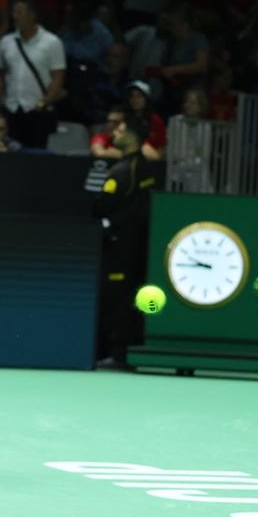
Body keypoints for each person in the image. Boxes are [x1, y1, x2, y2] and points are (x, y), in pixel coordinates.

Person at [94, 113, 157, 368]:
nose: (115, 132)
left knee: (118, 300)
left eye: (120, 128)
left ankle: (116, 354)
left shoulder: (124, 170)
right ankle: (121, 352)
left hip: (122, 247)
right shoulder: (142, 167)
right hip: (135, 247)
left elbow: (100, 206)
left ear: (133, 135)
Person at [0, 0, 68, 148]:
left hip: (38, 110)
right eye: (14, 12)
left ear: (33, 15)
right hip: (12, 109)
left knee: (37, 157)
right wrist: (1, 100)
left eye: (20, 12)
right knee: (11, 155)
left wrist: (43, 103)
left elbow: (58, 78)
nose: (15, 16)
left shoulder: (52, 42)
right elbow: (0, 74)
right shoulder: (5, 42)